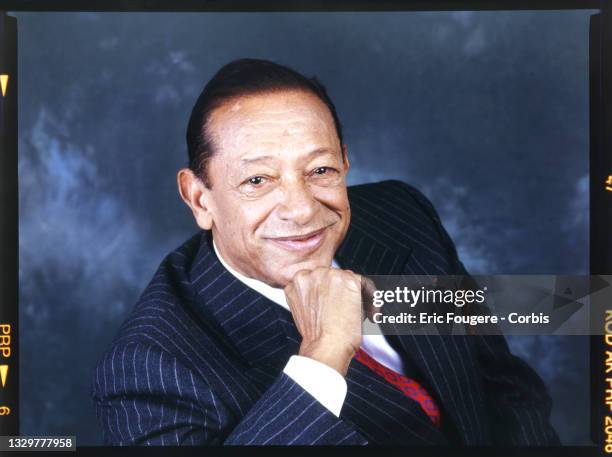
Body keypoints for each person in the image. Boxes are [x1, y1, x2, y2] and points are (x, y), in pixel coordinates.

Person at [92, 58, 559, 446]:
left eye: (319, 170)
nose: (301, 210)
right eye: (258, 180)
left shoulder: (401, 215)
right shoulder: (149, 368)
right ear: (200, 199)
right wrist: (324, 354)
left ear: (345, 163)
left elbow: (501, 383)